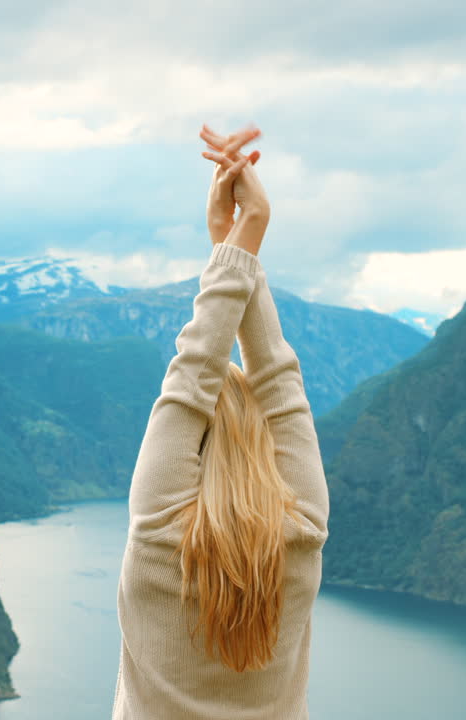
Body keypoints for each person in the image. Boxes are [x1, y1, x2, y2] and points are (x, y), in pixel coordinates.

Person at [111, 125, 330, 720]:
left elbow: (192, 377)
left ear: (187, 453)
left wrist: (235, 241)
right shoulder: (302, 536)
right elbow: (277, 385)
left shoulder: (158, 535)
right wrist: (241, 235)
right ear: (260, 441)